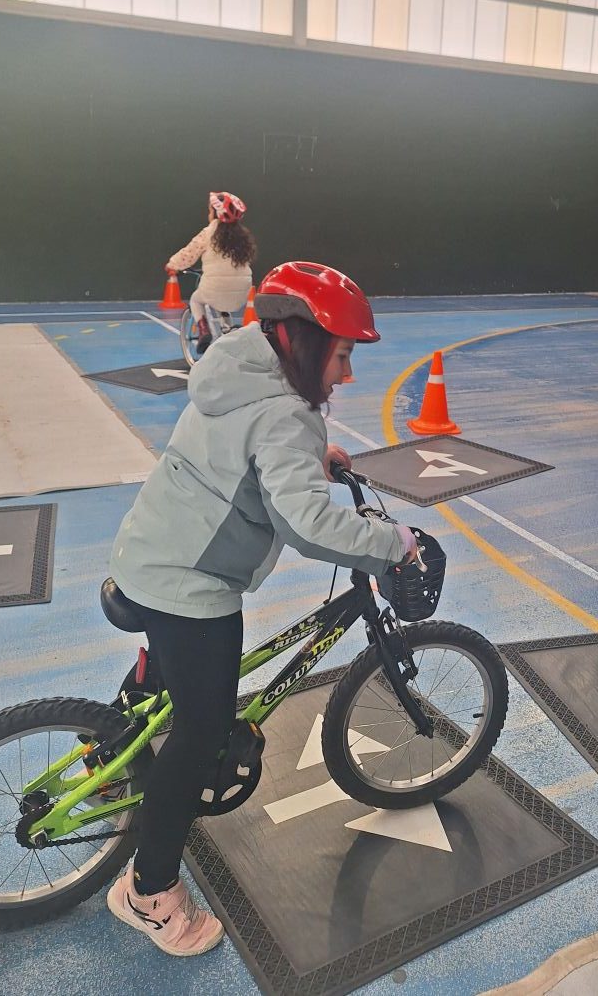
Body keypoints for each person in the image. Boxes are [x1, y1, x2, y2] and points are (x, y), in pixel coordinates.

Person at [106, 261, 420, 956]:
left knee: (174, 676)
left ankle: (106, 755)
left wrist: (313, 455)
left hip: (150, 548)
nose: (348, 374)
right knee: (202, 731)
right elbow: (308, 524)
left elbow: (251, 444)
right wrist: (391, 544)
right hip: (190, 580)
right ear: (304, 343)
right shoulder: (285, 415)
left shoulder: (240, 364)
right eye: (342, 355)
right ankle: (148, 892)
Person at [166, 192, 255, 348]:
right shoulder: (243, 237)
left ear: (215, 213)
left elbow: (189, 253)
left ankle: (203, 329)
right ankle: (227, 331)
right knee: (223, 301)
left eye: (209, 211)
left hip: (214, 287)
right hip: (243, 292)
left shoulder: (208, 233)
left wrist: (173, 265)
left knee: (196, 300)